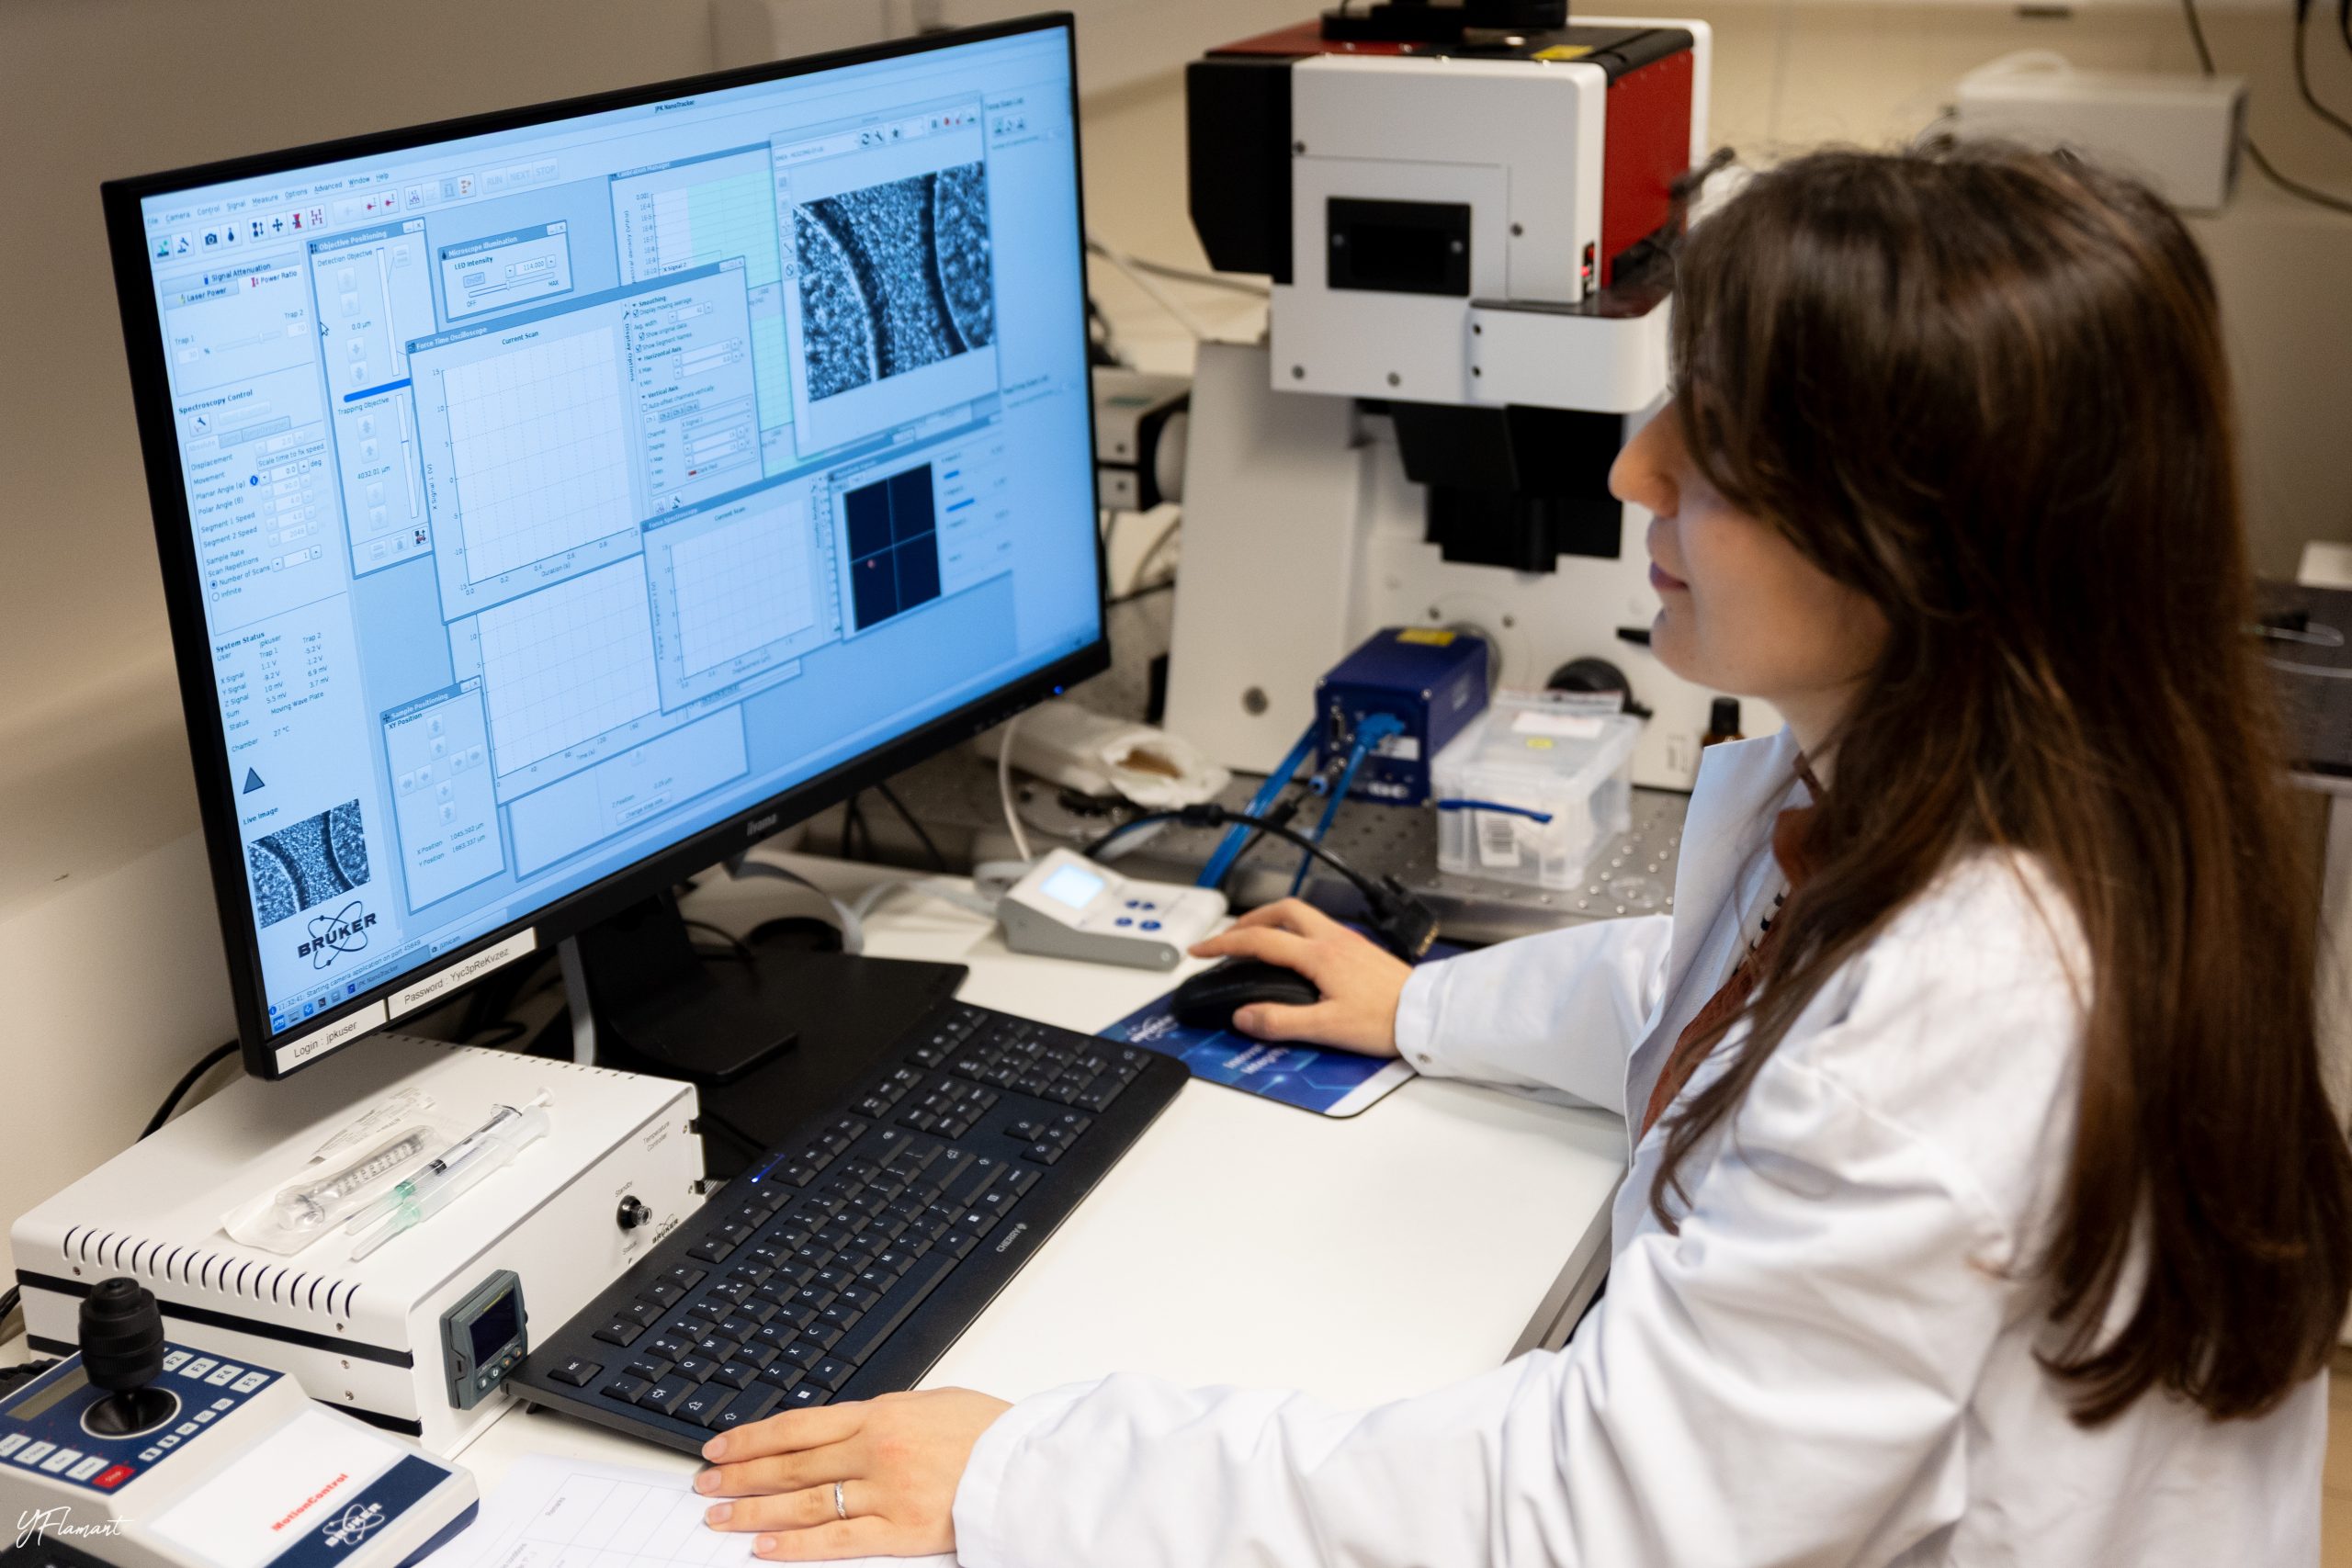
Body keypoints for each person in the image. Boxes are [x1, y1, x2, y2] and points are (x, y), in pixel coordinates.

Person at [688, 143, 2352, 1564]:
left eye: (1721, 441)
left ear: (1920, 538)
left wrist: (1022, 1471)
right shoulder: (2055, 804)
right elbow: (1714, 985)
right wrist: (1420, 1006)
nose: (1635, 465)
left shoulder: (1968, 1012)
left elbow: (1584, 1513)